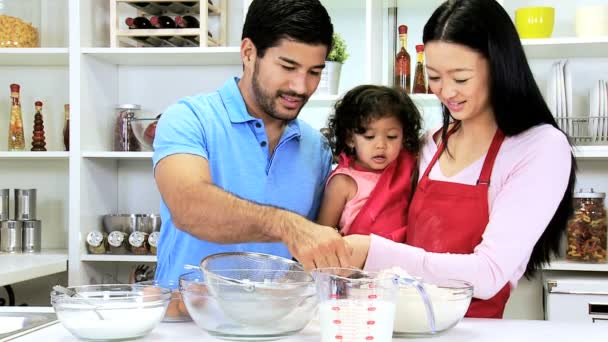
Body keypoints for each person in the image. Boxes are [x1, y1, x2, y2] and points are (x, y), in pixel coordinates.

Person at [345, 0, 576, 319]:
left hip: (475, 332)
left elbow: (488, 275)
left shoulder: (540, 148)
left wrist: (370, 251)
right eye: (435, 77)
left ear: (499, 65)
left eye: (461, 78)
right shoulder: (430, 144)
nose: (446, 91)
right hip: (404, 326)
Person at [152, 0, 351, 283]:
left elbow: (310, 253)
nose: (301, 86)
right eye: (288, 66)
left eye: (314, 72)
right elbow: (189, 207)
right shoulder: (190, 118)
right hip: (187, 319)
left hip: (274, 320)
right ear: (248, 53)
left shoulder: (315, 147)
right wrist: (288, 225)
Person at [317, 85, 422, 242]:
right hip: (355, 262)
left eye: (392, 136)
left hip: (401, 262)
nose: (381, 145)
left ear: (404, 137)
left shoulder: (408, 170)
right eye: (369, 136)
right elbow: (322, 235)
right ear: (350, 139)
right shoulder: (343, 182)